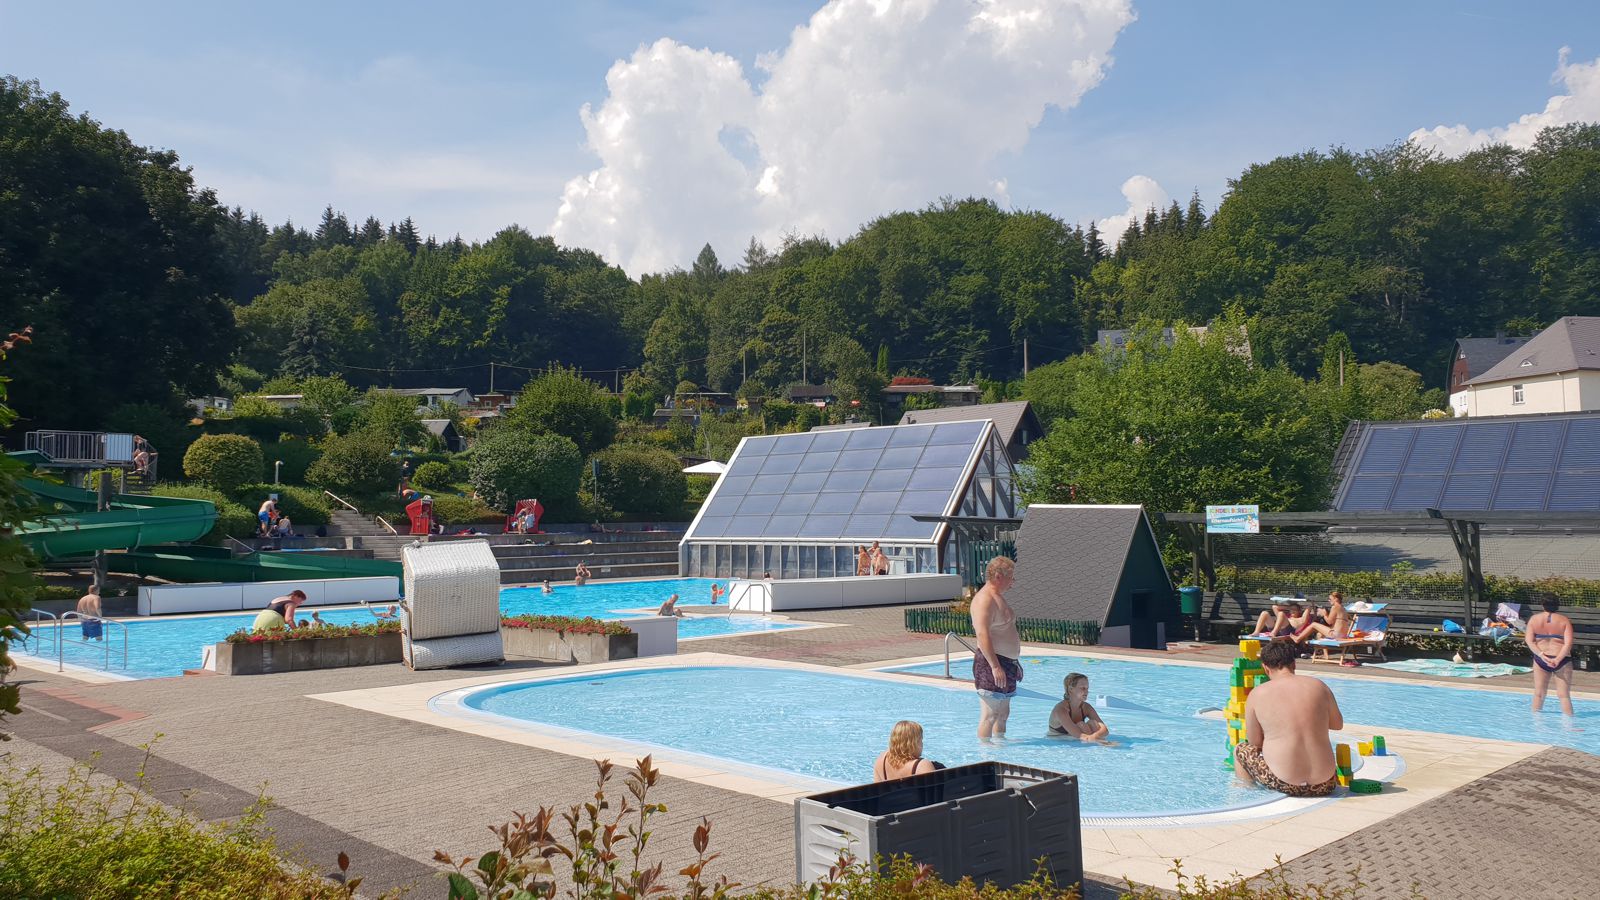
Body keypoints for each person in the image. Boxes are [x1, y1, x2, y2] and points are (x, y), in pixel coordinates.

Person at [1234, 641, 1343, 797]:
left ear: (1265, 667)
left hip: (1285, 784)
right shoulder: (1319, 686)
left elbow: (1254, 743)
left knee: (1241, 750)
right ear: (1294, 664)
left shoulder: (1258, 694)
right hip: (1326, 784)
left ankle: (1245, 793)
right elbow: (1337, 724)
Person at [970, 556, 1021, 741]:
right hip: (992, 662)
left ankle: (1000, 749)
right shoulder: (985, 600)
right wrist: (995, 666)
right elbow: (982, 635)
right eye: (1011, 578)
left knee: (1003, 713)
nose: (1013, 583)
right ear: (999, 576)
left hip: (1008, 663)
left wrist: (1014, 662)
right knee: (990, 714)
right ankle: (984, 754)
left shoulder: (998, 598)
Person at [1526, 595, 1574, 715]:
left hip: (1541, 659)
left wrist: (1541, 655)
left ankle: (1536, 723)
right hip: (1562, 660)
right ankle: (1569, 726)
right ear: (1557, 605)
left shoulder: (1534, 619)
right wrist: (1557, 659)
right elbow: (1568, 644)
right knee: (1564, 696)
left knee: (1539, 694)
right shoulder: (1564, 620)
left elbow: (1529, 641)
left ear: (1543, 605)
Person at [872, 720, 942, 781]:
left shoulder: (881, 760)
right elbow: (934, 794)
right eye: (921, 739)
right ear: (914, 743)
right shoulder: (922, 765)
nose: (922, 743)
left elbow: (877, 792)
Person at [1048, 673, 1109, 742]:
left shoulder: (1086, 707)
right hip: (1059, 743)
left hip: (1077, 740)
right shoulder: (1061, 710)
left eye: (1087, 688)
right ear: (1071, 689)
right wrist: (1099, 741)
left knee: (1093, 723)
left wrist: (1095, 736)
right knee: (1082, 725)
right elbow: (1081, 736)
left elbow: (1105, 730)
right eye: (1083, 688)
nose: (1086, 692)